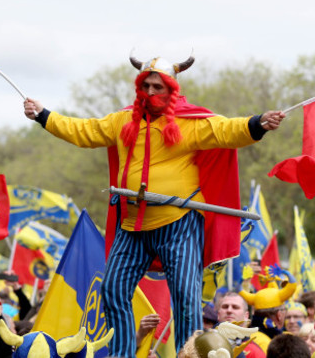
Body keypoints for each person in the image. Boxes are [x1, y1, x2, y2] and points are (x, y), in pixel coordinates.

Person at [24, 54, 284, 356]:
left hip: (179, 223)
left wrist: (258, 124)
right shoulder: (121, 121)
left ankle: (189, 354)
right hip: (132, 225)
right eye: (145, 85)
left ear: (171, 89)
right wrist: (43, 115)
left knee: (186, 297)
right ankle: (123, 353)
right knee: (113, 289)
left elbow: (226, 130)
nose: (150, 92)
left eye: (157, 86)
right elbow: (83, 131)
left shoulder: (189, 123)